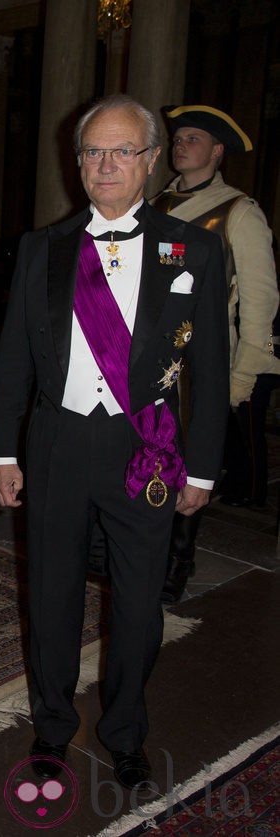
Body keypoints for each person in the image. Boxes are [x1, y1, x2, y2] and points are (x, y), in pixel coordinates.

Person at [0, 94, 229, 790]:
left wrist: (204, 469)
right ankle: (52, 727)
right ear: (79, 163)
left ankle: (125, 730)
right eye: (95, 150)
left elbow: (210, 368)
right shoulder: (43, 248)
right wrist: (4, 451)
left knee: (136, 601)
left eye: (124, 150)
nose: (107, 164)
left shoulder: (195, 249)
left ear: (152, 161)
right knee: (51, 594)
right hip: (58, 443)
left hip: (145, 447)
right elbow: (12, 361)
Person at [151, 105, 279, 602]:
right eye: (177, 138)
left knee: (189, 465)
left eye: (193, 138)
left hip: (197, 362)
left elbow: (260, 302)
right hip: (143, 357)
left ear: (218, 150)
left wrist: (241, 376)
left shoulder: (238, 212)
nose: (181, 145)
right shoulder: (154, 203)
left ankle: (177, 561)